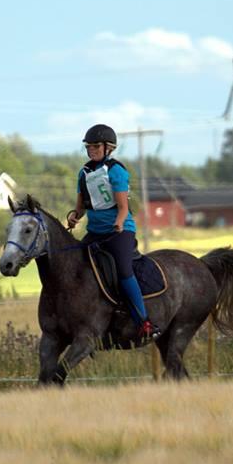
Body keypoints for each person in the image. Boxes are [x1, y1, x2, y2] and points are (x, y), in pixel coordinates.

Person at [66, 124, 162, 341]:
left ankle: (143, 322)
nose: (91, 150)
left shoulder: (116, 170)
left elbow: (123, 208)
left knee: (123, 270)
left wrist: (118, 223)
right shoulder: (84, 172)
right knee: (76, 264)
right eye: (88, 147)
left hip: (120, 231)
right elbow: (81, 207)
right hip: (95, 231)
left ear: (108, 148)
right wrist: (74, 217)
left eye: (95, 146)